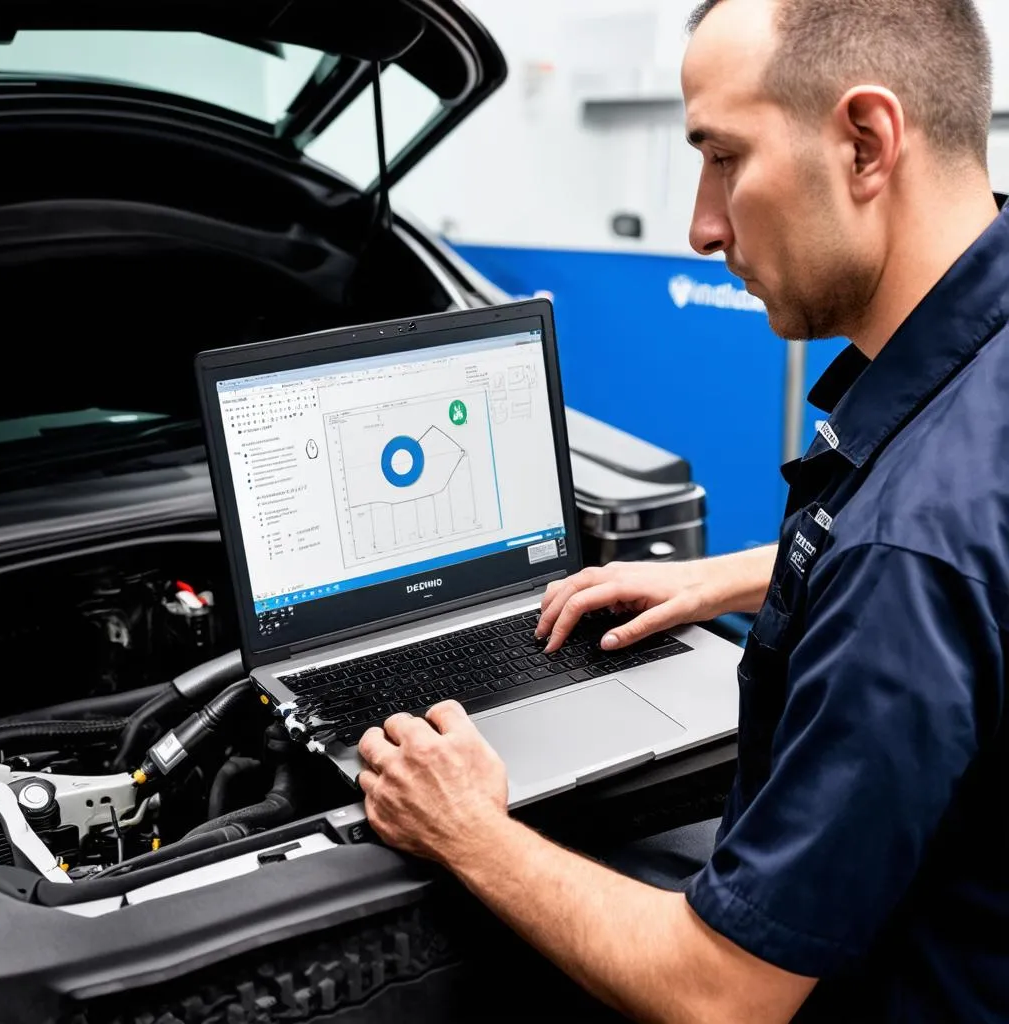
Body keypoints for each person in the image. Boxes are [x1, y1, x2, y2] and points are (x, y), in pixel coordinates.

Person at [356, 0, 1009, 1020]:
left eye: (720, 156)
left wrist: (463, 826)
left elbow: (721, 996)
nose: (701, 226)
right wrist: (754, 567)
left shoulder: (905, 554)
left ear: (868, 143)